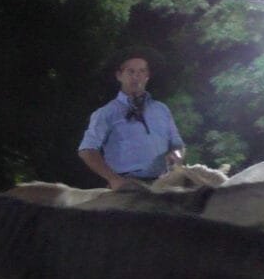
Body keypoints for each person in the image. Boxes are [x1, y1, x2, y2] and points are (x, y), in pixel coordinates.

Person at [78, 46, 186, 190]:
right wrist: (113, 179)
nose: (136, 76)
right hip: (127, 188)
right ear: (119, 75)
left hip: (163, 186)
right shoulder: (106, 113)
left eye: (142, 71)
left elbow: (177, 144)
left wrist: (176, 155)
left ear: (147, 76)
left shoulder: (161, 110)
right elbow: (86, 150)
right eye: (131, 71)